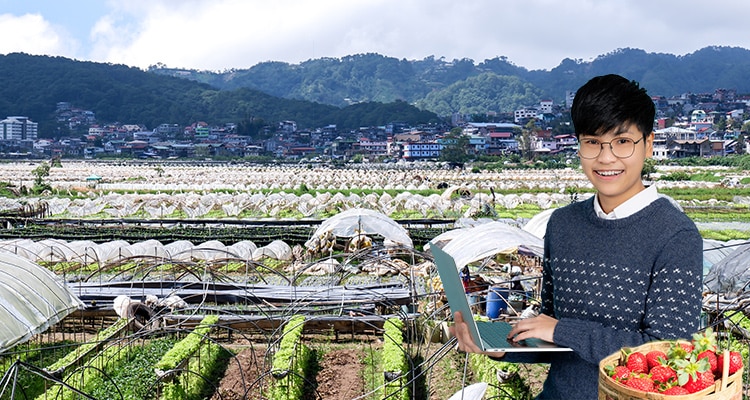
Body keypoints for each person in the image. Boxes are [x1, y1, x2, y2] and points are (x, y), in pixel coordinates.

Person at [449, 74, 703, 399]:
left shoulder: (677, 236)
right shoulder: (563, 225)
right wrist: (499, 347)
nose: (606, 157)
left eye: (622, 142)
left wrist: (562, 329)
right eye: (592, 142)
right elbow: (554, 337)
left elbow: (667, 353)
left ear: (648, 145)